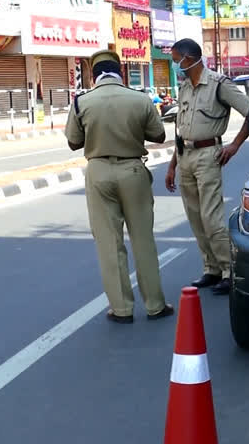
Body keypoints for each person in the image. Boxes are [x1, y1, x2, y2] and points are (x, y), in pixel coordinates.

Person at [65, 50, 173, 324]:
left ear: (93, 75)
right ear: (121, 73)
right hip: (133, 170)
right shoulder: (140, 99)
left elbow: (73, 142)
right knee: (143, 240)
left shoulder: (81, 102)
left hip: (99, 172)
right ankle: (155, 305)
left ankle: (122, 309)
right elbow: (159, 135)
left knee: (108, 243)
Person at [165, 38, 249, 295]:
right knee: (195, 218)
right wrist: (172, 165)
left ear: (188, 59)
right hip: (185, 156)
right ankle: (211, 269)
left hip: (208, 155)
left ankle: (229, 270)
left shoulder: (218, 84)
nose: (175, 66)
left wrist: (235, 145)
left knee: (211, 217)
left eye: (175, 60)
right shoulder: (184, 88)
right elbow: (182, 131)